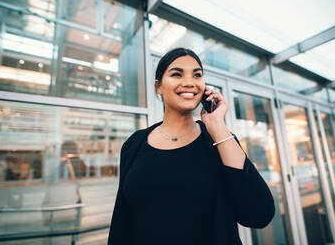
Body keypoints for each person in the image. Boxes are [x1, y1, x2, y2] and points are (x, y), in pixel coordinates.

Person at [107, 48, 275, 245]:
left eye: (197, 75)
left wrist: (217, 124)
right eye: (177, 74)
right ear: (158, 87)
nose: (189, 82)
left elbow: (259, 214)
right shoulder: (135, 143)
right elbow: (122, 218)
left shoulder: (219, 140)